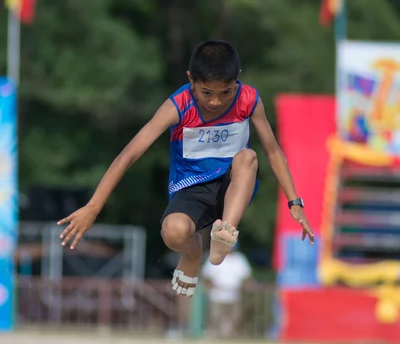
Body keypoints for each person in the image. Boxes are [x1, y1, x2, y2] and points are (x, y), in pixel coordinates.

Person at [58, 40, 314, 298]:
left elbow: (272, 150)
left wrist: (294, 202)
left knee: (248, 156)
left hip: (234, 185)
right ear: (191, 80)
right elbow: (130, 154)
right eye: (206, 93)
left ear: (237, 80)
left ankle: (225, 232)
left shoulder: (249, 100)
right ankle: (194, 252)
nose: (215, 102)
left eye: (225, 92)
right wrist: (93, 207)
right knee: (173, 232)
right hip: (191, 187)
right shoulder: (178, 105)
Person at [202, 243, 252, 338]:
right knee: (216, 318)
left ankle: (230, 338)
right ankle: (215, 337)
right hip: (217, 295)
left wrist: (243, 287)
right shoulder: (214, 256)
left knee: (235, 318)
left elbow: (247, 276)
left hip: (234, 295)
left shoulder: (239, 259)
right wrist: (212, 286)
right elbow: (207, 275)